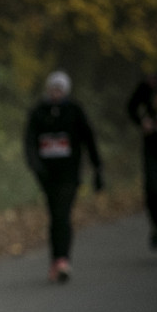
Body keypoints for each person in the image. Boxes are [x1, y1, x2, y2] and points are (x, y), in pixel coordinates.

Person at [24, 70, 103, 283]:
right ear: (48, 89)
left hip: (69, 173)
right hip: (47, 175)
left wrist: (98, 169)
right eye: (53, 88)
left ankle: (62, 260)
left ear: (66, 91)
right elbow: (30, 141)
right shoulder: (39, 111)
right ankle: (56, 260)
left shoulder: (75, 111)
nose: (56, 92)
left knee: (62, 214)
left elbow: (89, 139)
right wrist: (35, 165)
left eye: (60, 89)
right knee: (55, 216)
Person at [126, 53, 157, 254]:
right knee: (154, 189)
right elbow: (131, 107)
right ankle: (156, 224)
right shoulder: (151, 83)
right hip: (154, 147)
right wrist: (142, 121)